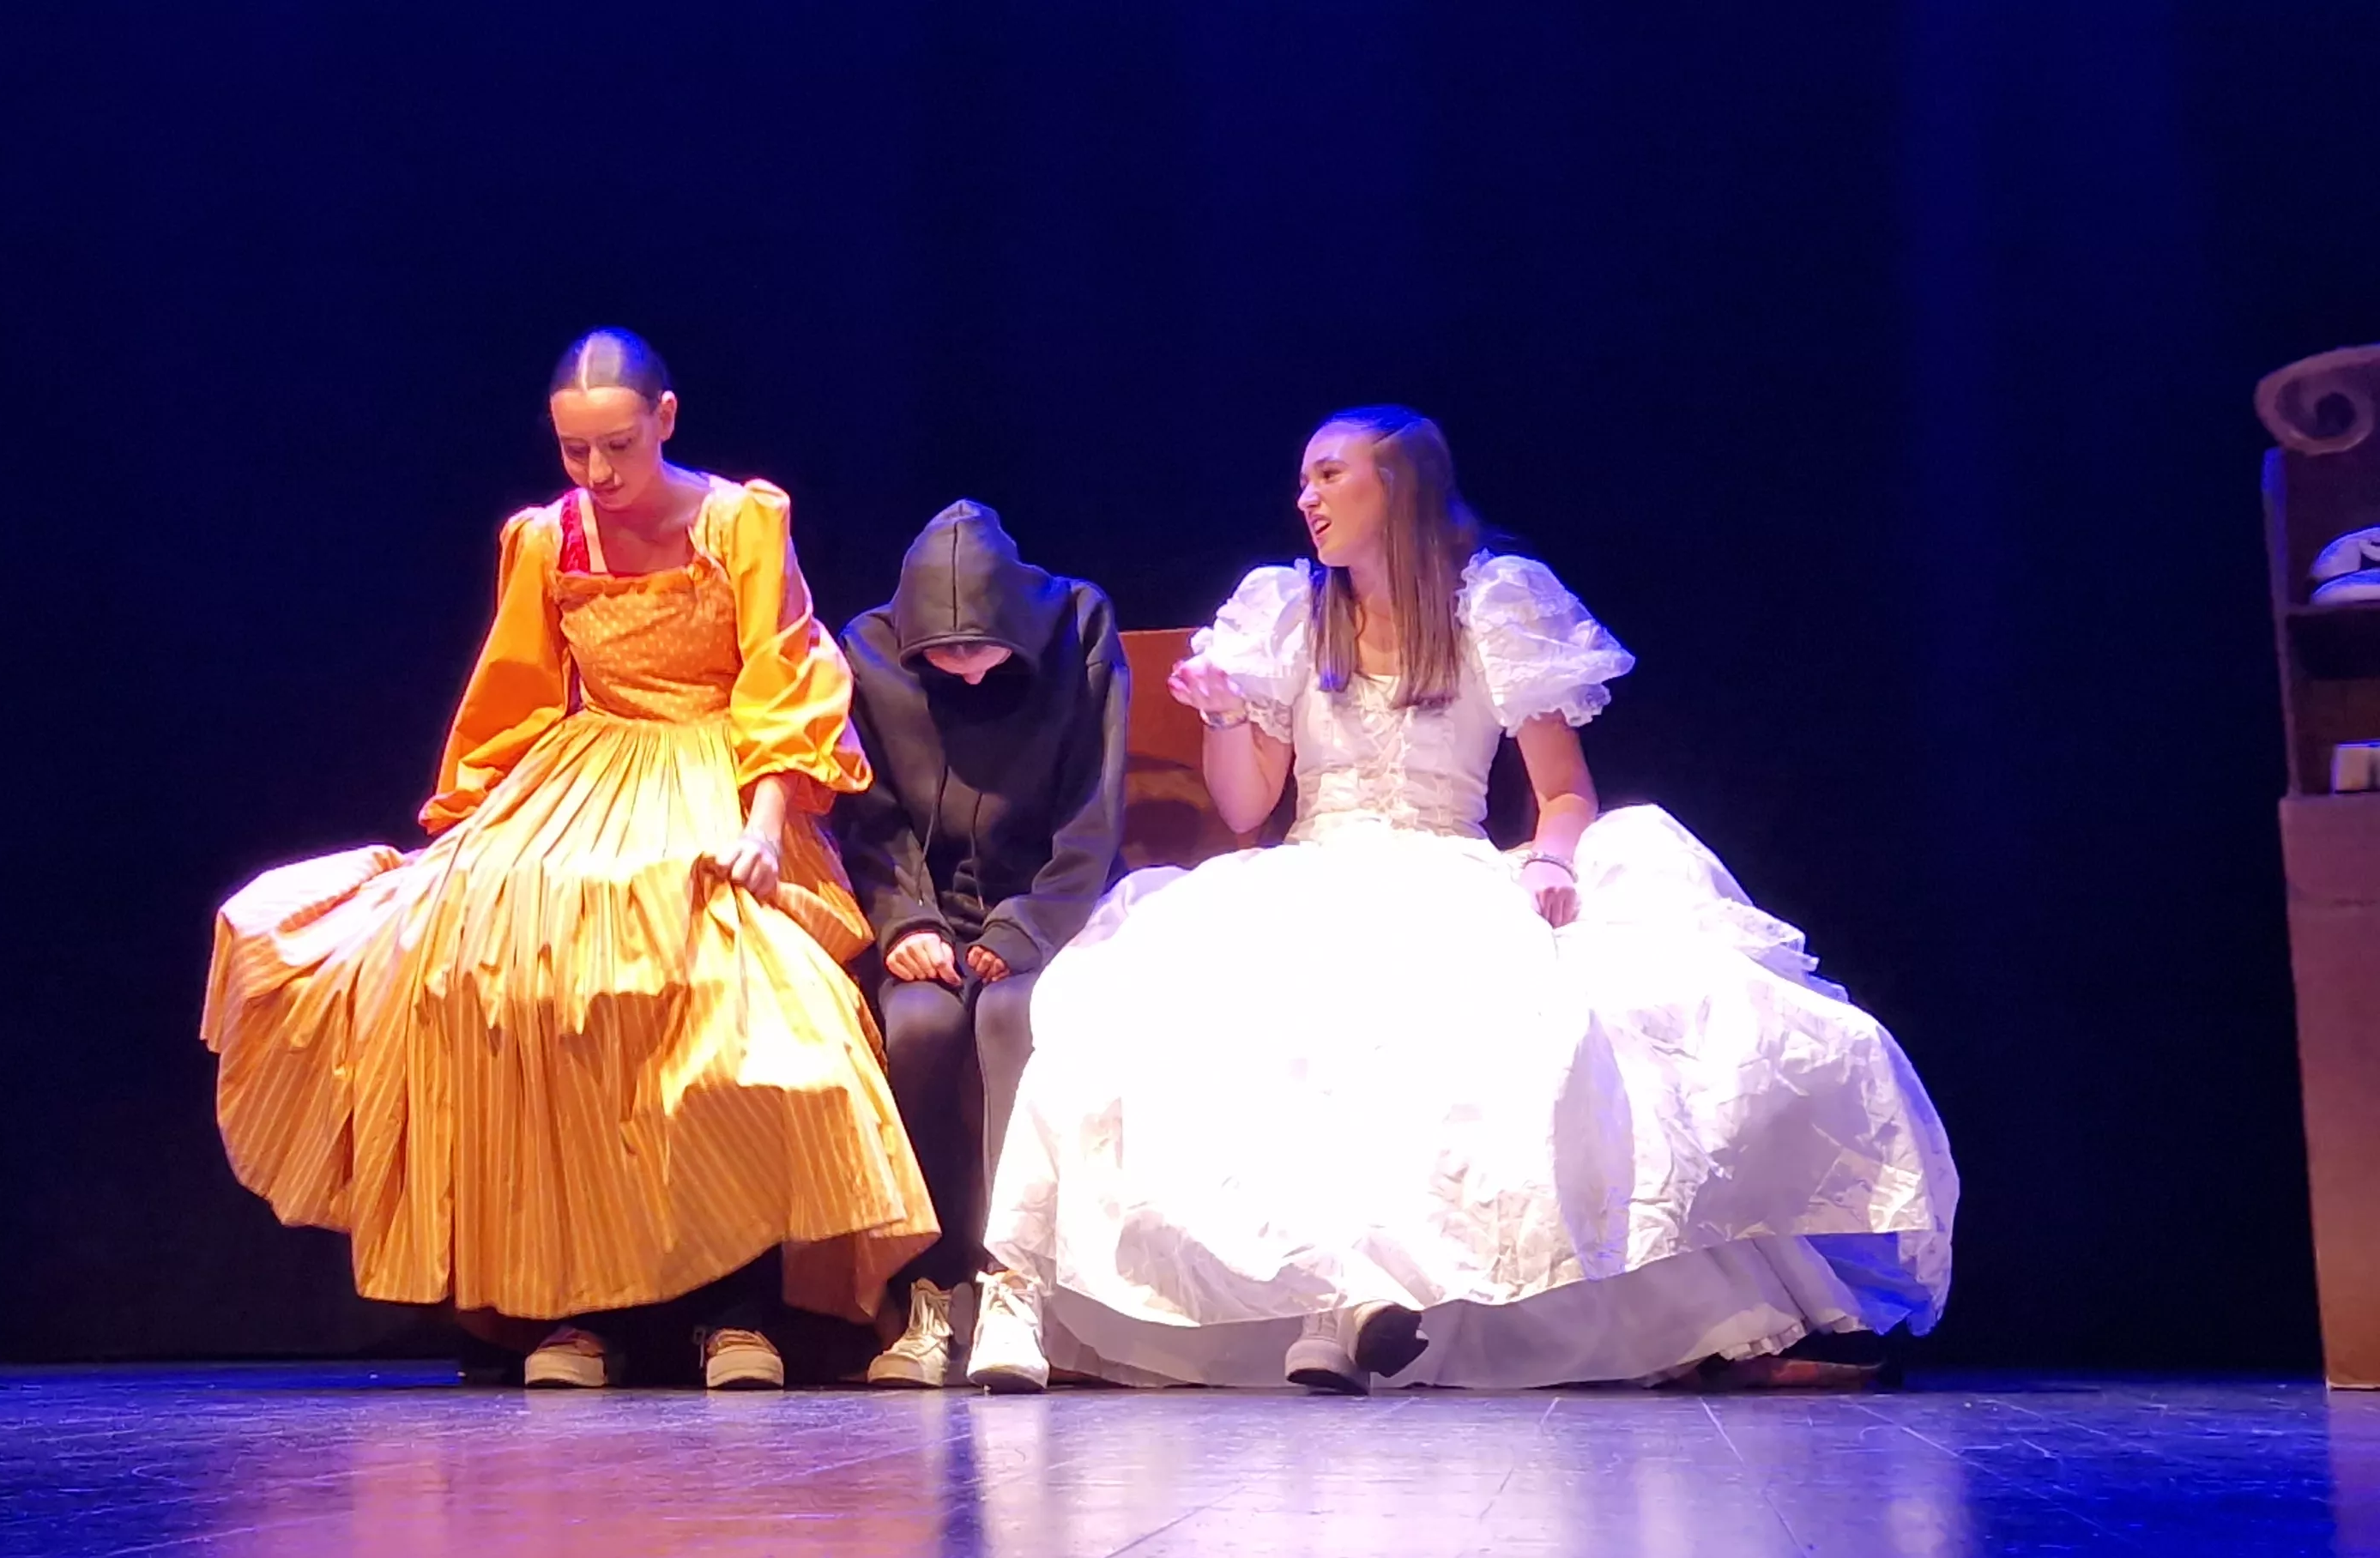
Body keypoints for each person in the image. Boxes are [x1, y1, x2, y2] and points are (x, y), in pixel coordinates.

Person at [968, 405, 1959, 1394]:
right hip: (1314, 865)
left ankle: (1363, 1303)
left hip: (1450, 866)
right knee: (1234, 1028)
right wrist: (1226, 710)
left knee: (1477, 1033)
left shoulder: (1496, 605)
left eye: (1327, 475)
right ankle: (1320, 1298)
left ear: (1393, 485)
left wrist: (1553, 861)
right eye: (1304, 480)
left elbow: (1565, 793)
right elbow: (1245, 803)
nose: (1304, 497)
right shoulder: (1282, 609)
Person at [204, 329, 935, 1392]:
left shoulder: (740, 522)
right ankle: (572, 1306)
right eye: (575, 452)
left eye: (620, 448)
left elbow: (782, 682)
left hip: (715, 771)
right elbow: (512, 692)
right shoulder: (547, 540)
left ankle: (731, 1310)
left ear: (666, 420)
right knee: (507, 963)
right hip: (581, 774)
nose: (598, 474)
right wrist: (466, 828)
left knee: (706, 976)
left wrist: (766, 826)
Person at [831, 501, 1127, 1388]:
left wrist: (1027, 924)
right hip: (925, 921)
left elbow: (1091, 813)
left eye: (978, 650)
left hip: (1048, 912)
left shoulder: (1079, 623)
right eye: (941, 656)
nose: (960, 672)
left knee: (1011, 1017)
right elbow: (869, 821)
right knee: (918, 1028)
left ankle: (1011, 1281)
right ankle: (928, 1290)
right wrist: (904, 921)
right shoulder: (870, 647)